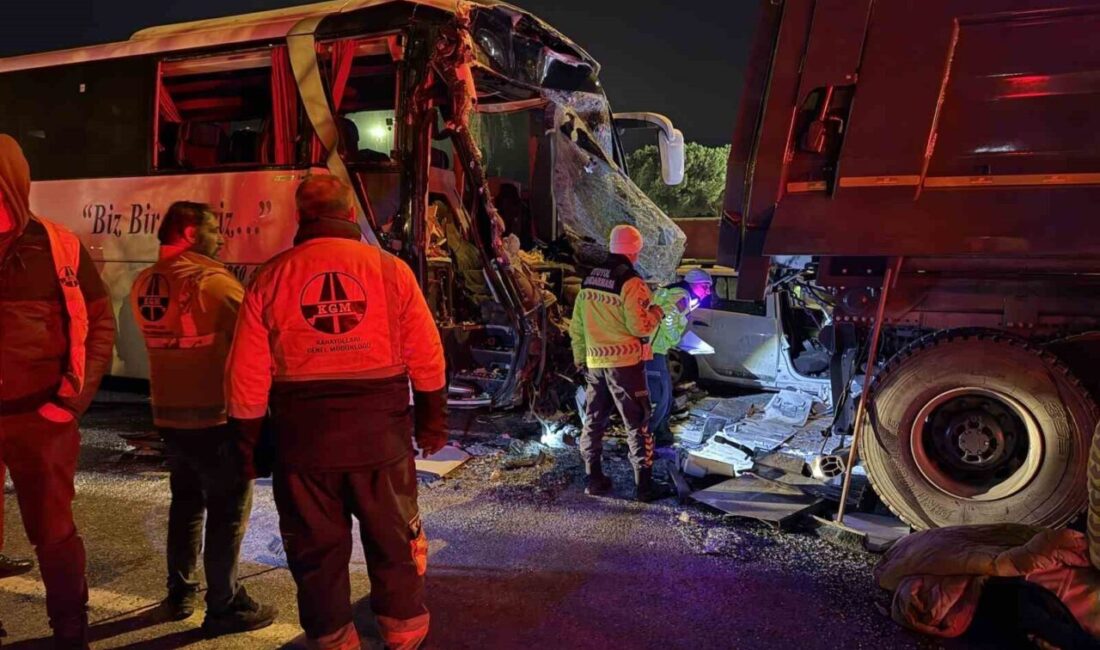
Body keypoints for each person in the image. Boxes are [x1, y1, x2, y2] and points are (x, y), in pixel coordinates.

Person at [226, 175, 447, 650]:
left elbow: (245, 373)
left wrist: (247, 444)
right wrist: (432, 420)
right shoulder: (391, 271)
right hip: (380, 441)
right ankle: (404, 629)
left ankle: (332, 637)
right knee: (393, 539)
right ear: (350, 214)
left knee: (316, 550)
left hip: (304, 444)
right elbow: (427, 354)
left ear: (302, 217)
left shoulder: (270, 276)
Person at [129, 201, 277, 634]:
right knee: (228, 512)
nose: (221, 238)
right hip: (215, 417)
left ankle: (179, 593)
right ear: (192, 234)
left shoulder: (144, 281)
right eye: (214, 230)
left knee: (186, 505)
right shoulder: (211, 282)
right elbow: (256, 337)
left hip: (168, 417)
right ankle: (224, 604)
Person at [0, 134, 115, 648]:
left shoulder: (57, 245)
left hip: (41, 420)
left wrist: (71, 402)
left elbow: (99, 321)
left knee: (53, 534)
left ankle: (71, 632)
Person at [570, 224, 665, 501]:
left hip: (594, 363)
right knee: (637, 421)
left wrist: (579, 357)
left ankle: (593, 479)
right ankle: (644, 487)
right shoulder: (632, 283)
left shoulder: (589, 281)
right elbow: (640, 327)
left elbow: (577, 326)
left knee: (594, 419)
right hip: (624, 364)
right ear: (635, 250)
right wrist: (657, 312)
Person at [647, 268, 713, 443]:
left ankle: (659, 431)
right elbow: (667, 317)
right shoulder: (682, 296)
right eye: (705, 286)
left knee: (664, 392)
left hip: (655, 349)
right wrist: (674, 338)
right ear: (693, 284)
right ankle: (651, 435)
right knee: (660, 395)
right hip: (653, 351)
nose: (708, 291)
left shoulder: (674, 293)